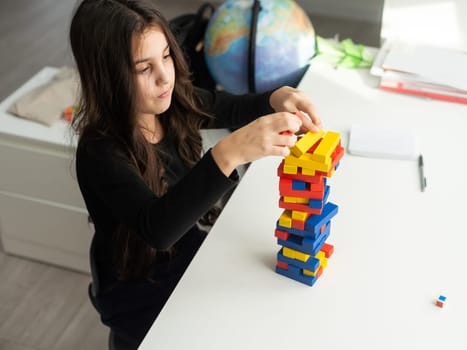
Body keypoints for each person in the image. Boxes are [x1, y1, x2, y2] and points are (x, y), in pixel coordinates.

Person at [69, 0, 323, 347]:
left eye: (166, 56)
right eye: (144, 68)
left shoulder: (171, 104)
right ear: (107, 76)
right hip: (135, 290)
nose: (164, 77)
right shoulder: (99, 151)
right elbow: (157, 228)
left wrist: (276, 97)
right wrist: (229, 152)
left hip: (184, 260)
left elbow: (228, 106)